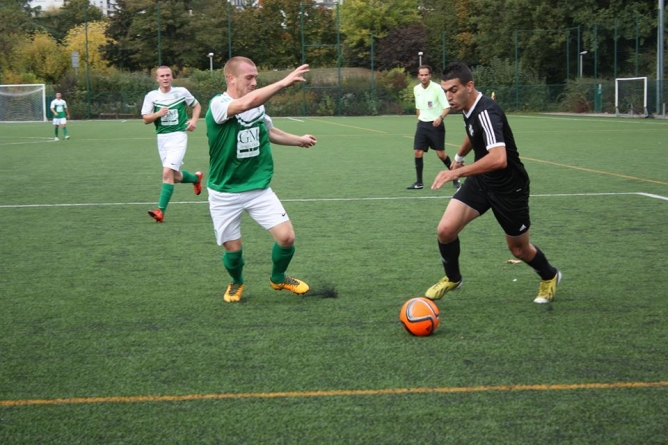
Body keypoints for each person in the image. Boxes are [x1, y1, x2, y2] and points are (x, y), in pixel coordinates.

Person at [425, 62, 561, 304]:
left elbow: (499, 159)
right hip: (482, 181)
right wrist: (458, 157)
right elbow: (473, 131)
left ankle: (549, 276)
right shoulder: (469, 107)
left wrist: (458, 172)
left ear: (470, 86)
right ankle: (453, 278)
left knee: (519, 250)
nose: (449, 96)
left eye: (453, 90)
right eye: (446, 91)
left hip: (509, 189)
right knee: (445, 231)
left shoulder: (487, 111)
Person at [205, 57, 317, 303]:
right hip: (225, 191)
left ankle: (278, 278)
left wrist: (298, 139)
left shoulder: (257, 106)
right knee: (233, 251)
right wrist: (284, 82)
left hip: (258, 187)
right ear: (231, 78)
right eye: (249, 77)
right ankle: (236, 282)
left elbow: (269, 131)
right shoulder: (218, 105)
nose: (254, 82)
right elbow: (246, 103)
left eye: (256, 77)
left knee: (287, 237)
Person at [141, 66, 203, 223]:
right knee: (174, 177)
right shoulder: (151, 96)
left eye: (168, 75)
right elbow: (146, 119)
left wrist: (194, 120)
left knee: (166, 172)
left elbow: (196, 105)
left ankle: (160, 211)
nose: (165, 78)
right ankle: (195, 179)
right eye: (162, 76)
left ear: (172, 77)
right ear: (157, 79)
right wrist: (158, 114)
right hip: (162, 138)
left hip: (178, 136)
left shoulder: (181, 92)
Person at [407, 65, 459, 190]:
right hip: (422, 125)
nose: (424, 77)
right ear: (418, 76)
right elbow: (418, 107)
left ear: (430, 75)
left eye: (426, 75)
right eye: (421, 75)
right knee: (417, 152)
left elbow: (447, 107)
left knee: (441, 155)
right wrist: (419, 120)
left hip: (436, 125)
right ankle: (419, 182)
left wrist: (440, 118)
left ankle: (455, 177)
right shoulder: (416, 89)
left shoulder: (437, 88)